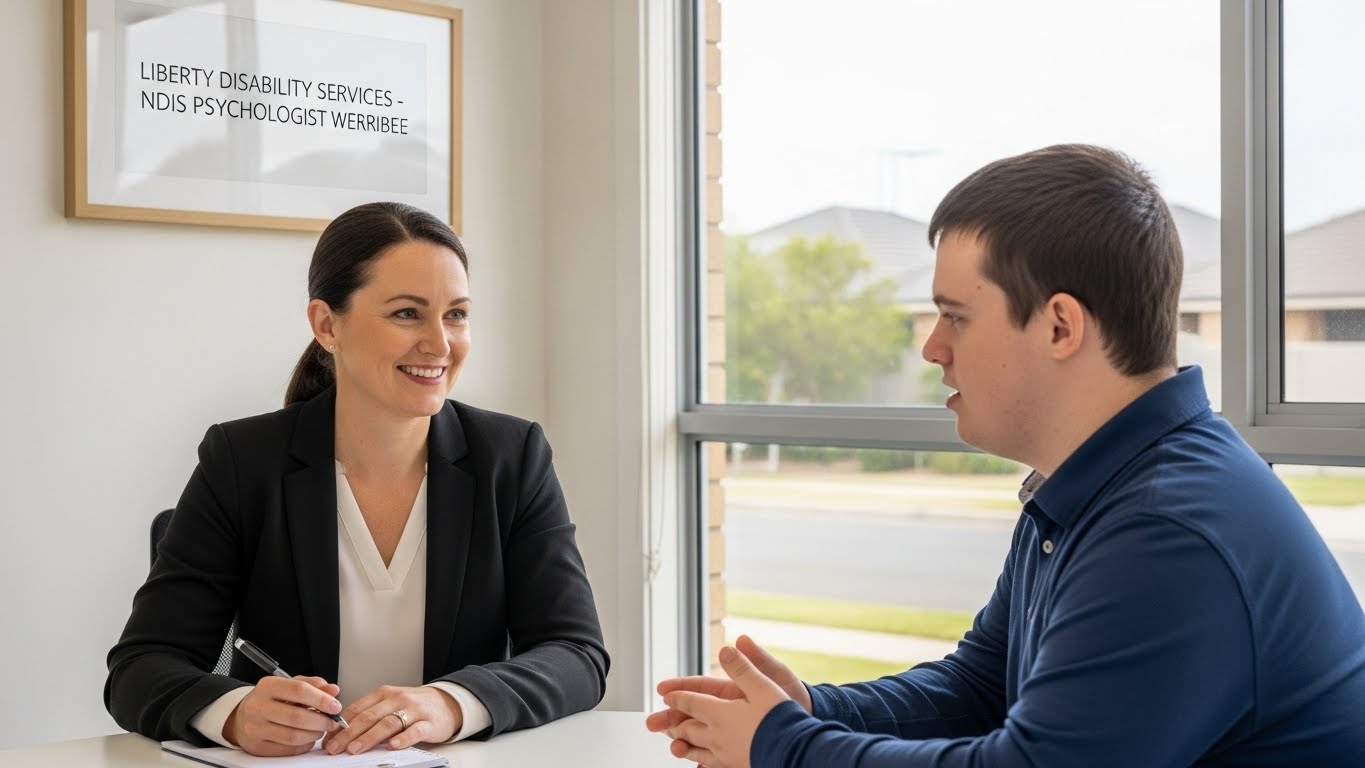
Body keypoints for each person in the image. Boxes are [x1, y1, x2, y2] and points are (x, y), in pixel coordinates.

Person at [646, 144, 1365, 766]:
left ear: (1058, 326)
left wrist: (782, 746)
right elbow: (981, 687)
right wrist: (809, 707)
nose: (932, 347)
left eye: (955, 315)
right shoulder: (1097, 484)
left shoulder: (1168, 529)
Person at [106, 202, 609, 757]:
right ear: (327, 325)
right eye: (406, 314)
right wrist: (234, 713)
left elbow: (577, 654)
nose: (441, 344)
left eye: (457, 314)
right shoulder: (243, 460)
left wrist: (452, 702)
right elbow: (140, 667)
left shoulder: (511, 458)